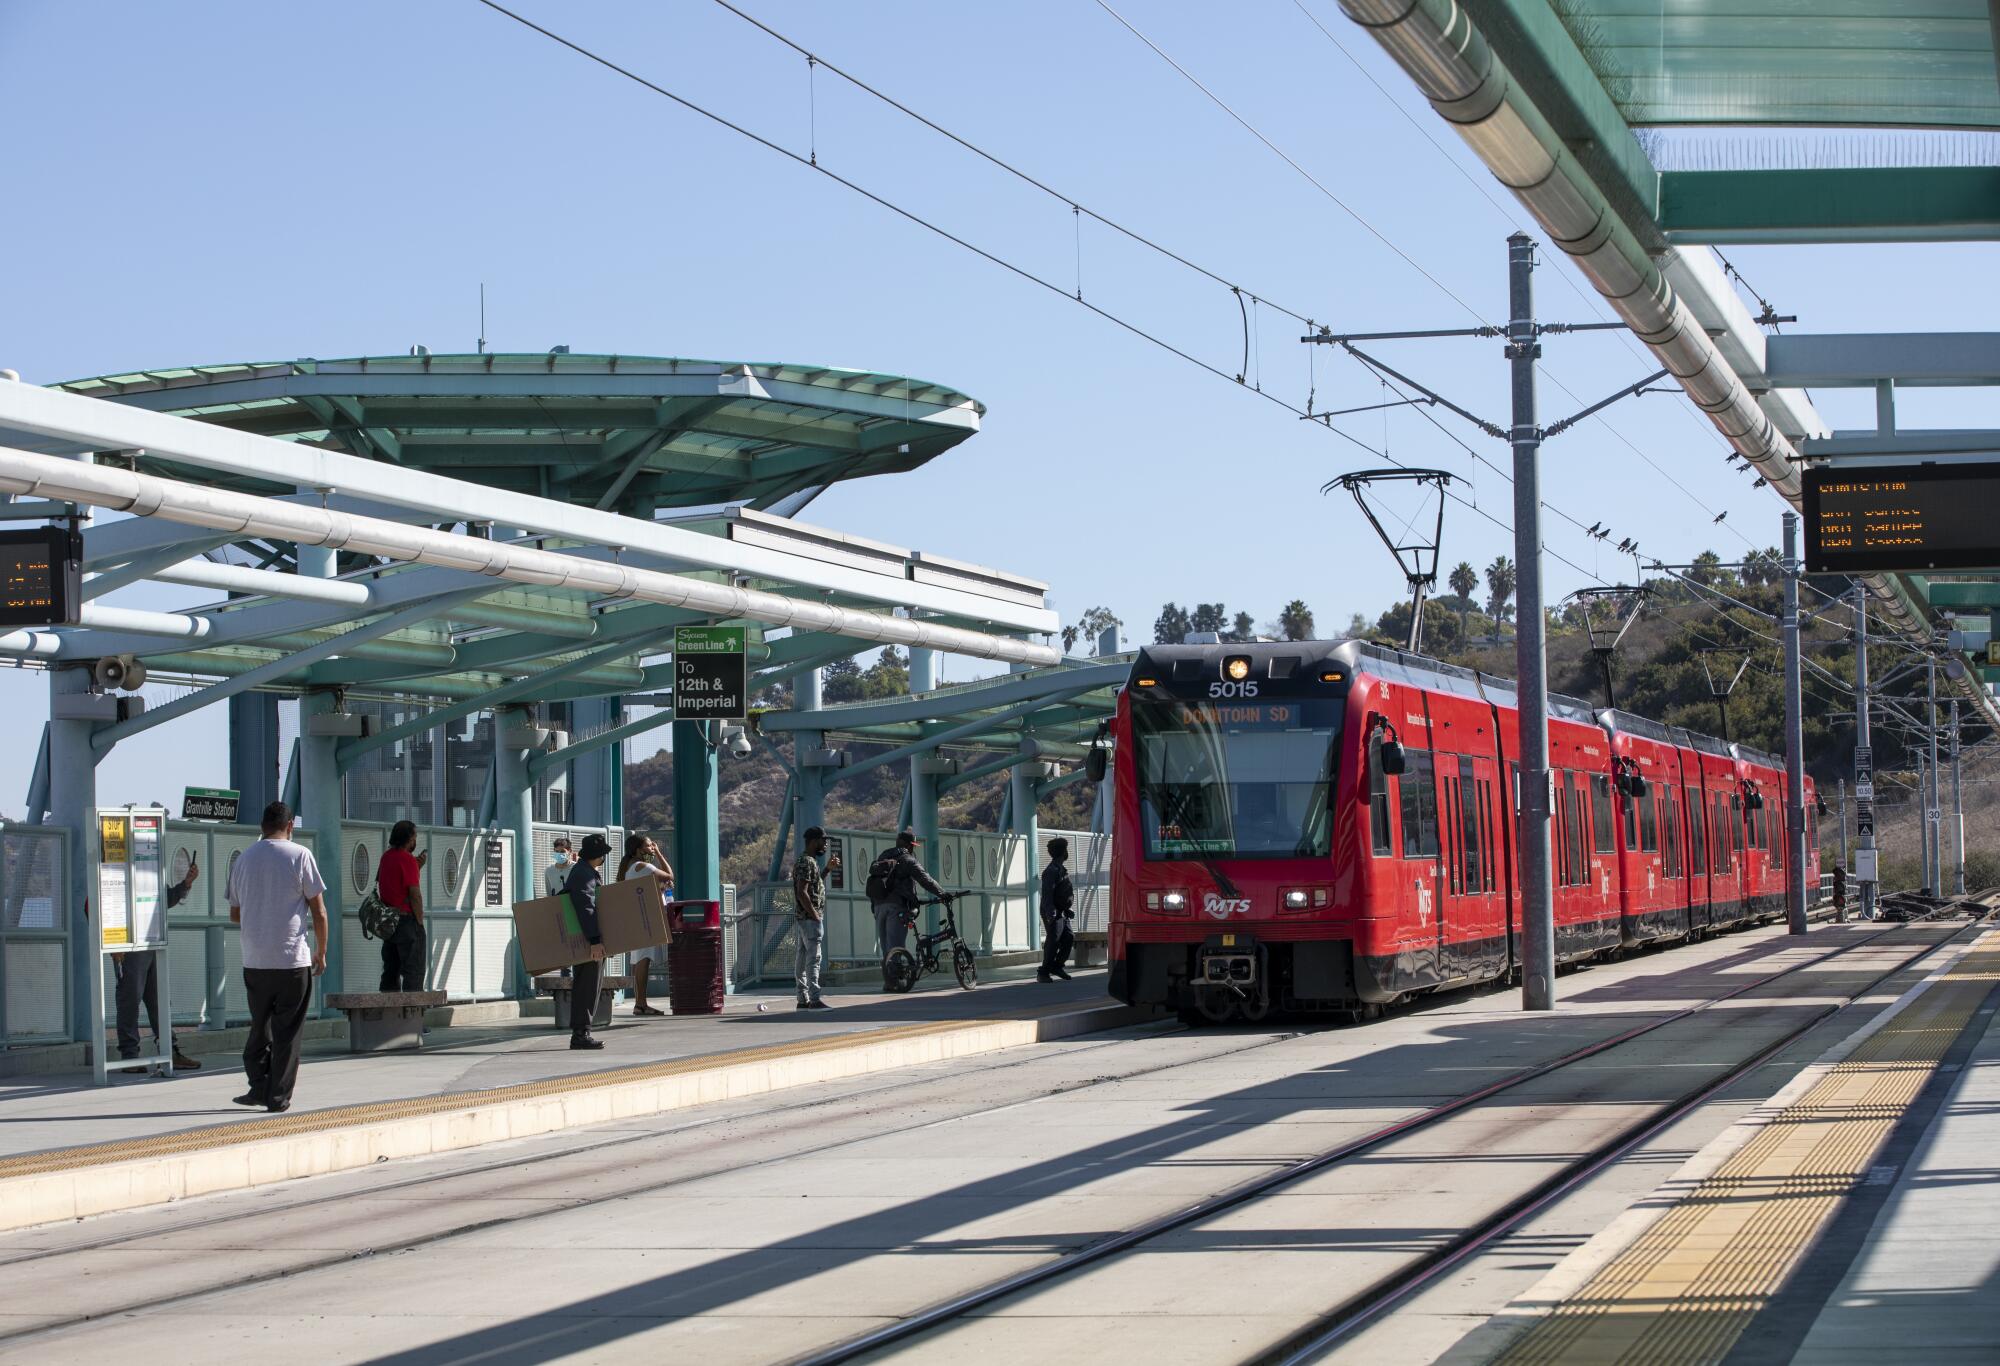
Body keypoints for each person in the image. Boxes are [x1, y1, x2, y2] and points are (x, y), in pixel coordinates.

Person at [226, 801, 329, 1113]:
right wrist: (321, 951)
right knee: (287, 1033)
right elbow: (319, 911)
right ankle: (277, 1096)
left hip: (255, 961)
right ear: (290, 826)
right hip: (291, 962)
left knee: (260, 1026)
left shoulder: (243, 859)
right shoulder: (300, 855)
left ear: (262, 825)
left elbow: (234, 915)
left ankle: (258, 1085)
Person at [114, 856, 202, 1070]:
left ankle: (169, 1051)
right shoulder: (114, 874)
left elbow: (167, 898)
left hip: (154, 942)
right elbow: (97, 906)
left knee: (160, 1001)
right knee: (129, 1000)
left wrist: (186, 883)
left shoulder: (150, 873)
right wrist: (115, 945)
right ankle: (130, 1055)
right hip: (129, 945)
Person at [615, 834, 675, 1017]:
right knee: (643, 961)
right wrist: (659, 853)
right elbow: (669, 875)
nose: (652, 848)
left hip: (637, 918)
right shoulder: (642, 866)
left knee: (640, 960)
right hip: (644, 920)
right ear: (638, 850)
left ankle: (640, 1003)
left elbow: (652, 887)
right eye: (649, 846)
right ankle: (640, 1003)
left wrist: (662, 888)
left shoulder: (631, 868)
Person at [563, 833, 612, 1049]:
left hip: (584, 938)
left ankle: (582, 1032)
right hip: (586, 940)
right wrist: (594, 940)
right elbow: (587, 908)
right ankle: (581, 1034)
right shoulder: (584, 874)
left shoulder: (583, 871)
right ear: (599, 856)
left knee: (588, 984)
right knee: (587, 986)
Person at [877, 829, 947, 980]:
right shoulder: (908, 860)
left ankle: (889, 981)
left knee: (886, 949)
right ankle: (895, 981)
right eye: (912, 845)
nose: (913, 848)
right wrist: (942, 893)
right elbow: (925, 880)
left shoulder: (883, 856)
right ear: (907, 845)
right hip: (897, 907)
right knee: (895, 947)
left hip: (878, 906)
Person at [376, 820, 428, 992]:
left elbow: (393, 886)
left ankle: (389, 1013)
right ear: (409, 838)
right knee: (413, 971)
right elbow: (414, 895)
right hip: (407, 922)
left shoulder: (386, 857)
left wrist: (416, 868)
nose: (415, 841)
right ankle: (411, 1013)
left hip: (389, 922)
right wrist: (419, 923)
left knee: (391, 970)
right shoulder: (408, 860)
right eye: (414, 837)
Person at [791, 827, 838, 1010]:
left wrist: (827, 869)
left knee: (802, 958)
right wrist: (815, 915)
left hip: (805, 919)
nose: (825, 844)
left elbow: (813, 885)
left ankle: (802, 999)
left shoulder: (808, 862)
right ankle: (815, 999)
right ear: (813, 841)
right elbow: (802, 892)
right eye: (822, 841)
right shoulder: (806, 862)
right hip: (810, 919)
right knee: (813, 959)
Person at [1038, 837, 1076, 983]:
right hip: (1053, 911)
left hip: (1062, 911)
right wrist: (1051, 913)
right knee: (1053, 940)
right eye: (1066, 849)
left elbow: (1063, 892)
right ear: (1062, 852)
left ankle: (1057, 966)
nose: (1067, 852)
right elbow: (1048, 894)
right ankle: (1043, 972)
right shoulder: (1051, 871)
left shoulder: (1061, 869)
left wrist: (1067, 909)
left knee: (1069, 937)